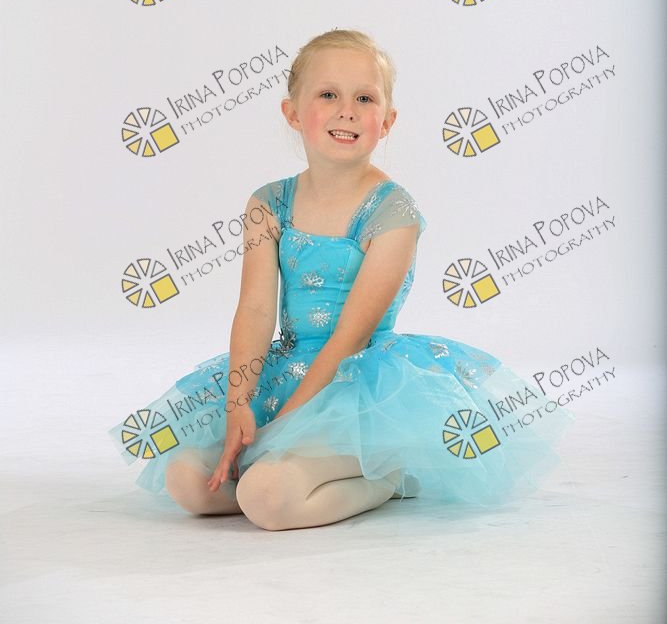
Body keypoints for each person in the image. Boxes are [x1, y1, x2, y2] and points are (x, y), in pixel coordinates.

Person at [108, 28, 574, 530]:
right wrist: (239, 404)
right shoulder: (269, 203)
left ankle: (389, 474)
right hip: (286, 370)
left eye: (364, 99)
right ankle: (284, 473)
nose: (346, 111)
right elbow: (257, 310)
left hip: (357, 383)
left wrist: (280, 429)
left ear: (387, 121)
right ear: (292, 112)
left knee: (265, 497)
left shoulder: (393, 213)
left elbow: (350, 337)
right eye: (328, 94)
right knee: (186, 480)